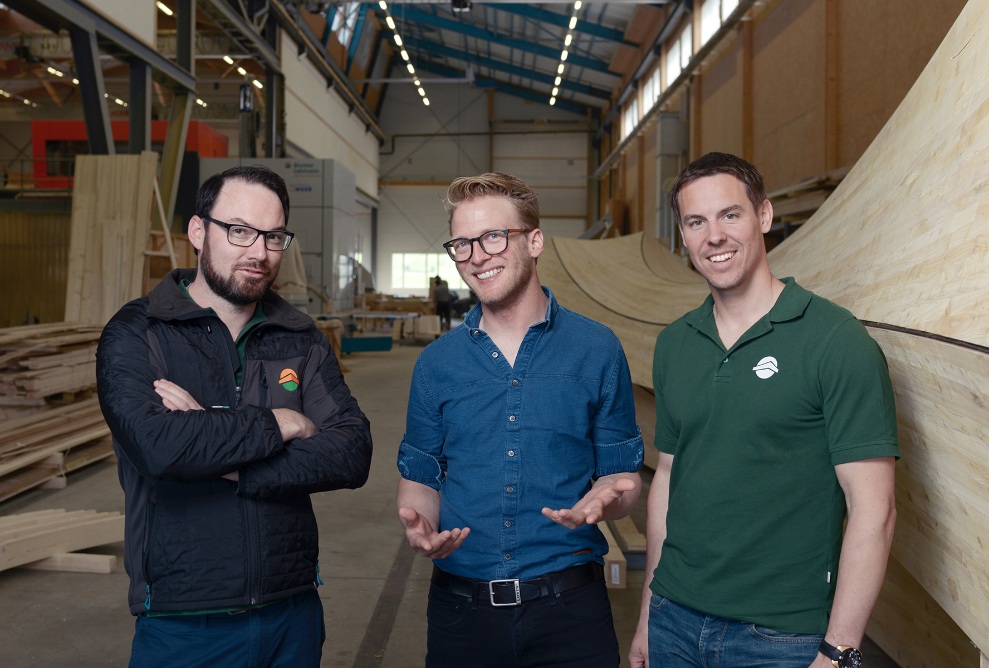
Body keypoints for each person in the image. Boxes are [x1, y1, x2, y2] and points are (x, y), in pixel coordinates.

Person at [629, 152, 899, 668]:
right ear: (683, 237)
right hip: (673, 618)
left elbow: (875, 509)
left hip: (781, 637)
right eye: (696, 222)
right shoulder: (675, 344)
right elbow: (666, 477)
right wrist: (646, 613)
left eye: (730, 215)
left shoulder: (834, 341)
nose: (714, 236)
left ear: (765, 217)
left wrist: (838, 648)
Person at [96, 165, 373, 667]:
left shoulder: (299, 336)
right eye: (240, 230)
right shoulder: (139, 332)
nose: (259, 252)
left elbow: (352, 452)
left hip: (292, 609)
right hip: (185, 619)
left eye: (273, 236)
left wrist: (222, 453)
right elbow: (158, 446)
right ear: (199, 231)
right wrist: (285, 424)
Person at [396, 172, 644, 668]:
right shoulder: (436, 364)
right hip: (461, 614)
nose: (477, 256)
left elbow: (624, 479)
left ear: (534, 241)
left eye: (492, 237)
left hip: (570, 612)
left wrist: (608, 500)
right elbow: (419, 479)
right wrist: (420, 526)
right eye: (462, 244)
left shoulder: (596, 349)